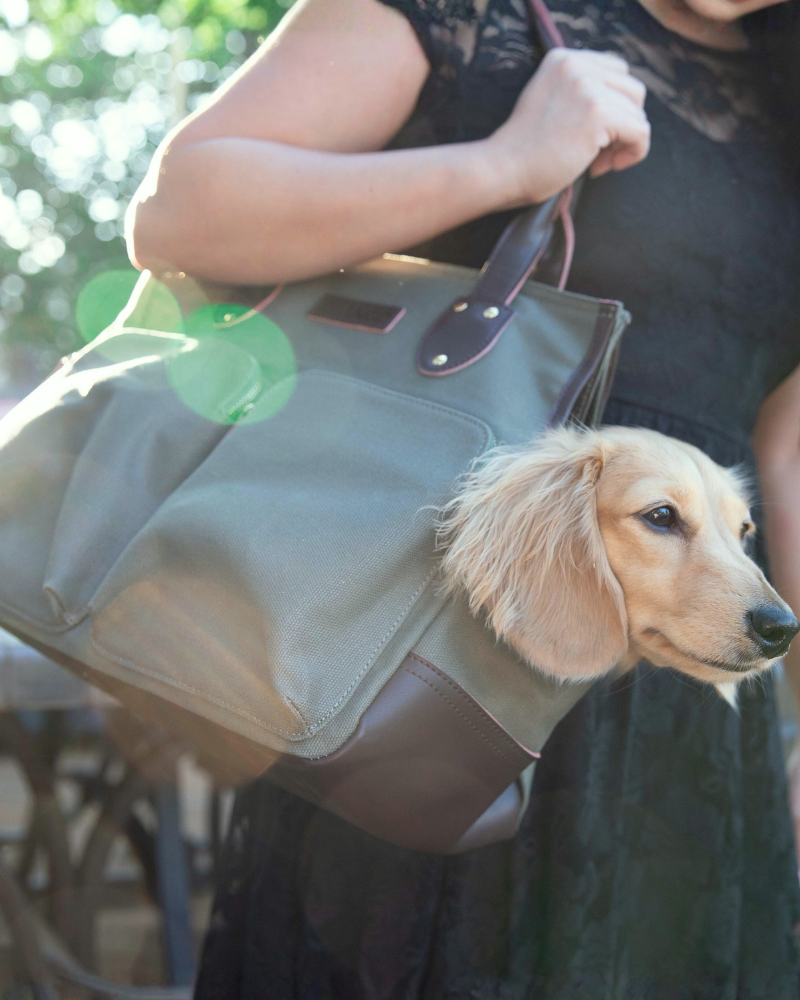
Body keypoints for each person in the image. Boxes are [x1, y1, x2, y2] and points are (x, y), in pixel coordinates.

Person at [127, 0, 800, 996]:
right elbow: (181, 213)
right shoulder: (470, 13)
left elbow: (780, 447)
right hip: (423, 666)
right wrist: (506, 164)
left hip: (683, 722)